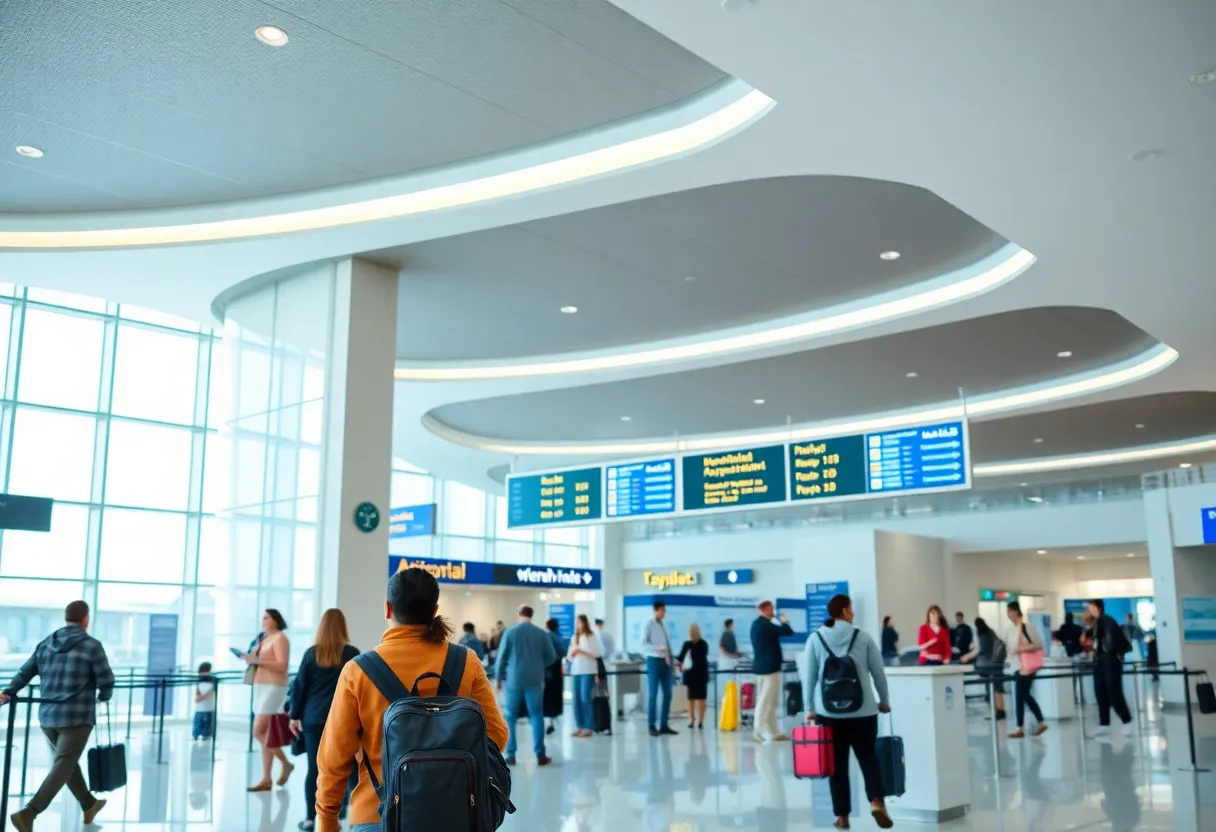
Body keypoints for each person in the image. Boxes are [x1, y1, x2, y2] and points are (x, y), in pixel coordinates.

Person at [315, 568, 507, 832]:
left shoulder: (357, 671)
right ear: (435, 610)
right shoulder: (466, 661)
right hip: (457, 812)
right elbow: (496, 735)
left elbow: (334, 756)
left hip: (377, 813)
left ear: (387, 609)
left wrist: (326, 818)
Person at [0, 600, 114, 832]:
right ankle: (29, 812)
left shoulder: (46, 644)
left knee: (66, 763)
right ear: (85, 619)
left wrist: (8, 692)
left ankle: (89, 804)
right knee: (64, 764)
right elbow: (107, 679)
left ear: (66, 618)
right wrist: (104, 695)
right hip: (77, 717)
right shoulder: (92, 646)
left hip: (48, 717)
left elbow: (26, 671)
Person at [802, 594, 893, 830]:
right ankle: (876, 801)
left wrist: (809, 708)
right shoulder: (862, 637)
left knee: (837, 766)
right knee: (868, 759)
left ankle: (842, 816)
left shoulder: (816, 638)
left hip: (828, 713)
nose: (853, 613)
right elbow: (878, 671)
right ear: (843, 611)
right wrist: (883, 701)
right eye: (851, 610)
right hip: (863, 712)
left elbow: (809, 676)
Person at [289, 609, 360, 831]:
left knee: (314, 768)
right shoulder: (352, 653)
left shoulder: (312, 654)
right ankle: (345, 809)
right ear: (343, 627)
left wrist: (294, 715)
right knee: (348, 765)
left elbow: (300, 687)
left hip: (313, 718)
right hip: (343, 719)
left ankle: (311, 818)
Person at [496, 605, 559, 765]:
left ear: (519, 614)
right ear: (532, 615)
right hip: (535, 679)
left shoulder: (510, 632)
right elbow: (551, 656)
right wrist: (537, 664)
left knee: (510, 715)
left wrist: (498, 677)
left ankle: (511, 755)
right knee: (537, 715)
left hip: (514, 679)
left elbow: (502, 657)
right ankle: (540, 755)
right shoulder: (541, 633)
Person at [245, 608, 294, 791]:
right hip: (260, 687)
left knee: (258, 731)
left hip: (274, 688)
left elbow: (282, 665)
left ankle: (286, 764)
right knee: (265, 732)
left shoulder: (281, 638)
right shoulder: (264, 638)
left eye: (266, 617)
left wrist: (258, 661)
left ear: (275, 620)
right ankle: (266, 778)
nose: (263, 620)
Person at [750, 601, 794, 743]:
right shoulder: (766, 625)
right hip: (770, 668)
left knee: (771, 701)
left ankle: (772, 731)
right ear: (763, 610)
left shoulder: (757, 624)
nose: (773, 611)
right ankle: (757, 730)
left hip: (763, 667)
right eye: (770, 609)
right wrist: (785, 622)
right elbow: (787, 631)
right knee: (765, 700)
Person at [1089, 599, 1133, 736]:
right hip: (1100, 661)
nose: (1091, 610)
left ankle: (1127, 721)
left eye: (1092, 607)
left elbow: (1112, 642)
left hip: (1111, 660)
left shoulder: (1108, 621)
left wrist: (1108, 652)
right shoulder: (1097, 622)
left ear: (1099, 607)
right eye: (1090, 608)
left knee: (1114, 692)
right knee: (1100, 692)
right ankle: (1104, 723)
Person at [1006, 601, 1048, 738]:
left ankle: (1020, 728)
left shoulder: (1027, 627)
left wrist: (1019, 648)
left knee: (1020, 696)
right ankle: (1041, 722)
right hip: (1018, 666)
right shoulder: (1013, 629)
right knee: (1025, 695)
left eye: (1010, 611)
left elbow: (1038, 644)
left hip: (1027, 666)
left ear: (1016, 612)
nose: (1008, 614)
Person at [642, 601, 678, 736]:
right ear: (655, 610)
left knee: (668, 693)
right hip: (653, 661)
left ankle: (664, 724)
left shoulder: (665, 626)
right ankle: (651, 725)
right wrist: (657, 648)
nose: (664, 613)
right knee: (653, 694)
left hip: (666, 662)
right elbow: (644, 643)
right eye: (662, 610)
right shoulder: (648, 625)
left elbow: (668, 644)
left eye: (664, 610)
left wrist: (670, 656)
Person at [961, 617, 1006, 720]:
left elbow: (980, 650)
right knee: (997, 689)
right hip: (997, 664)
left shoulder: (983, 636)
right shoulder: (991, 633)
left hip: (987, 666)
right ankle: (1000, 711)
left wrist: (966, 657)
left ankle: (996, 712)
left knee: (991, 689)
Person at [567, 614, 602, 738]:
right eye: (577, 623)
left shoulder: (591, 636)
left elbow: (598, 653)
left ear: (585, 623)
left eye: (580, 622)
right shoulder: (574, 637)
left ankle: (588, 726)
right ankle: (579, 726)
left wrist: (581, 651)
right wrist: (573, 651)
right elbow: (569, 657)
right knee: (576, 699)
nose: (578, 625)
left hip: (588, 670)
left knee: (585, 697)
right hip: (576, 670)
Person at [677, 623, 710, 730]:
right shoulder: (704, 644)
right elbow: (704, 656)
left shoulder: (687, 644)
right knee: (701, 699)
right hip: (701, 674)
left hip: (690, 674)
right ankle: (700, 721)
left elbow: (680, 658)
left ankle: (691, 720)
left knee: (690, 698)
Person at [542, 618, 567, 736]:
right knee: (555, 695)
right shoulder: (559, 638)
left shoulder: (546, 637)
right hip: (556, 670)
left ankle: (548, 722)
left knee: (547, 697)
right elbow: (563, 652)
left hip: (546, 670)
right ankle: (552, 719)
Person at [192, 662, 215, 741]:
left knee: (207, 734)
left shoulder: (213, 681)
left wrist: (202, 696)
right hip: (199, 710)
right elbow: (197, 698)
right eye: (209, 670)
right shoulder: (198, 682)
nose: (210, 672)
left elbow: (210, 694)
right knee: (196, 731)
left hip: (209, 709)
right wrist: (204, 695)